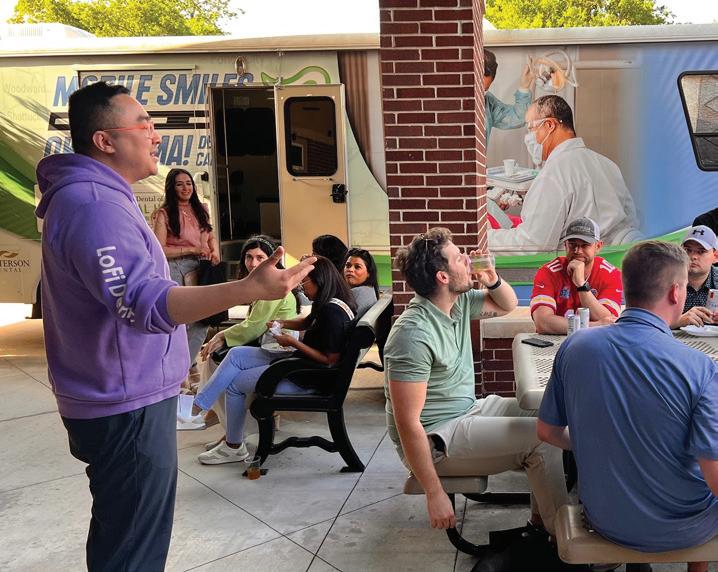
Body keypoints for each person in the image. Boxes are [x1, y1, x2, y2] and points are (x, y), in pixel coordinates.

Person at [34, 81, 314, 571]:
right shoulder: (95, 207)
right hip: (125, 403)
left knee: (125, 536)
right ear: (105, 140)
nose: (156, 135)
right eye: (143, 125)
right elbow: (144, 304)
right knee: (133, 548)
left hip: (124, 396)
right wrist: (247, 289)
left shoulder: (98, 198)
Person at [538, 241, 718, 572]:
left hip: (606, 519)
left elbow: (547, 431)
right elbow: (714, 474)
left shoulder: (575, 347)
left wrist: (599, 442)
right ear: (676, 292)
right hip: (684, 528)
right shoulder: (701, 368)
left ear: (627, 287)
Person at [384, 227, 568, 542]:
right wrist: (434, 493)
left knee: (548, 413)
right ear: (443, 277)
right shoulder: (413, 334)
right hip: (436, 438)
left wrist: (492, 277)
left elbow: (507, 304)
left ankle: (541, 524)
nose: (469, 260)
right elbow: (407, 423)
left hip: (467, 410)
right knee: (543, 439)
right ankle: (565, 540)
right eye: (459, 258)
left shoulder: (458, 303)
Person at [195, 256, 357, 464]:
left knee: (234, 384)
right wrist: (283, 322)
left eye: (304, 282)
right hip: (301, 367)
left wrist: (292, 341)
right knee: (235, 355)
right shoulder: (330, 302)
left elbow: (329, 360)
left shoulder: (332, 313)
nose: (301, 288)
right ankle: (199, 405)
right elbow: (308, 322)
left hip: (307, 379)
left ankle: (233, 445)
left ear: (320, 280)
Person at [489, 95, 641, 254]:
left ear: (549, 125)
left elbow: (532, 244)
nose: (528, 137)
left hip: (583, 263)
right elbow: (631, 219)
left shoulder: (554, 174)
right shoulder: (608, 164)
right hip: (621, 257)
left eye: (530, 128)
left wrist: (486, 237)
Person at [195, 235, 300, 443]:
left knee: (222, 365)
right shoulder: (266, 284)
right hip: (268, 346)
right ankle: (219, 421)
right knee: (219, 358)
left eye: (260, 258)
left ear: (273, 260)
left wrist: (223, 335)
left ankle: (224, 426)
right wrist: (223, 336)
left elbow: (254, 326)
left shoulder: (273, 287)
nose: (253, 263)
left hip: (277, 352)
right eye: (249, 257)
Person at [153, 168, 220, 368]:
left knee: (203, 321)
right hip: (177, 269)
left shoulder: (202, 209)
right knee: (181, 322)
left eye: (189, 183)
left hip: (202, 268)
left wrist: (215, 251)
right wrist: (191, 249)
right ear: (171, 188)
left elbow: (211, 236)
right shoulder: (164, 214)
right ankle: (173, 367)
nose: (185, 188)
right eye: (179, 184)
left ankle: (183, 366)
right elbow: (159, 249)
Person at [530, 217, 622, 334]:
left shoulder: (611, 274)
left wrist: (581, 285)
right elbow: (542, 322)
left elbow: (607, 320)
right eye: (572, 245)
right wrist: (594, 326)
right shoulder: (548, 272)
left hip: (594, 341)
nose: (578, 251)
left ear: (598, 246)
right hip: (554, 341)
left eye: (585, 245)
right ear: (565, 245)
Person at [484, 49, 534, 144]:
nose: (478, 95)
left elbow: (518, 118)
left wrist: (524, 87)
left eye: (484, 90)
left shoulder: (488, 102)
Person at [673, 225, 718, 328]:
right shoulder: (665, 278)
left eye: (701, 251)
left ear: (715, 256)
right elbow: (646, 320)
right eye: (688, 250)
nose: (693, 256)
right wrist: (676, 322)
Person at [343, 247, 380, 317]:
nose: (350, 269)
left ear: (369, 273)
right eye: (348, 265)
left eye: (357, 267)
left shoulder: (358, 293)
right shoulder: (370, 290)